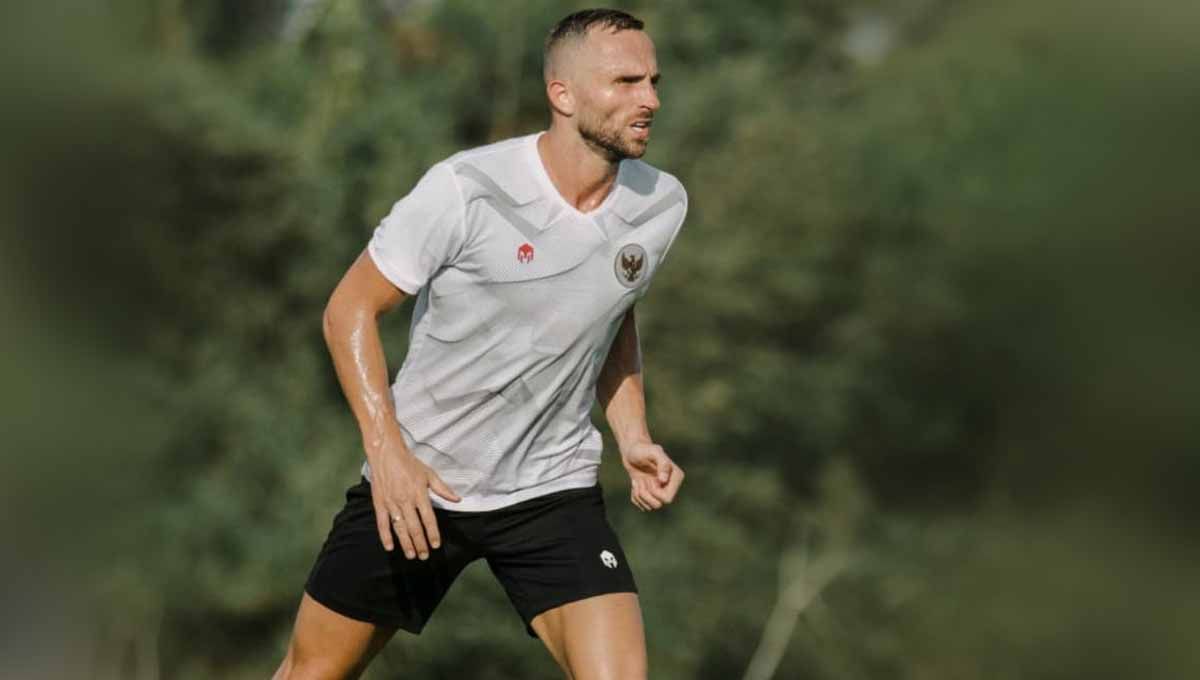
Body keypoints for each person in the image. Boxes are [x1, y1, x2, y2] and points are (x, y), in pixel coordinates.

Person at [273, 8, 687, 680]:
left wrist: (632, 435)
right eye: (626, 82)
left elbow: (612, 315)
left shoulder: (661, 203)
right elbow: (347, 310)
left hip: (551, 491)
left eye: (653, 81)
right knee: (311, 674)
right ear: (563, 94)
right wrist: (389, 453)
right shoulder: (465, 190)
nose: (651, 100)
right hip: (423, 484)